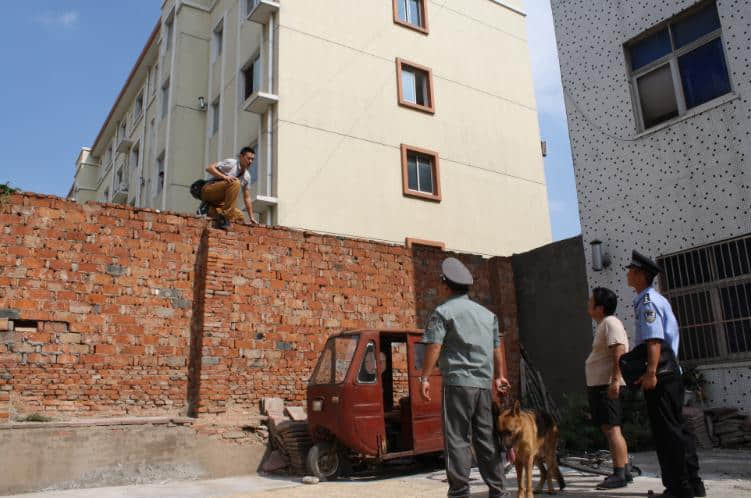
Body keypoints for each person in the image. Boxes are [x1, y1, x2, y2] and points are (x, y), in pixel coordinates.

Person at [419, 257, 510, 498]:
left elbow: (434, 346)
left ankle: (459, 492)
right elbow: (496, 348)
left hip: (457, 385)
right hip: (482, 386)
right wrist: (499, 377)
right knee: (486, 439)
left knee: (457, 439)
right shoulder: (487, 315)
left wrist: (425, 377)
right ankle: (498, 490)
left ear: (445, 284)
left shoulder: (442, 312)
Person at [626, 250, 705, 498]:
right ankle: (693, 484)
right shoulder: (653, 298)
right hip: (670, 373)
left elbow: (654, 340)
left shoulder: (648, 301)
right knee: (679, 429)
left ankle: (678, 488)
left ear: (641, 275)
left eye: (631, 270)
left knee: (667, 433)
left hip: (661, 374)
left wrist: (650, 373)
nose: (628, 274)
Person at [585, 287, 631, 489]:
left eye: (591, 301)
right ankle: (624, 469)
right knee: (609, 428)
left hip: (607, 385)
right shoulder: (604, 324)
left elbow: (618, 351)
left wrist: (615, 380)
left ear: (600, 307)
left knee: (613, 429)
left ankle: (619, 474)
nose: (588, 304)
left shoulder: (611, 323)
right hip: (600, 385)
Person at [201, 146, 258, 229]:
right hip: (209, 190)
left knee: (240, 216)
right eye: (248, 158)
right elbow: (209, 168)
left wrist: (251, 217)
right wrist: (225, 177)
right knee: (235, 182)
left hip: (220, 203)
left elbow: (247, 197)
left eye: (252, 159)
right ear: (241, 157)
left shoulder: (247, 176)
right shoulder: (232, 163)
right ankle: (224, 217)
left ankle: (211, 210)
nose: (250, 161)